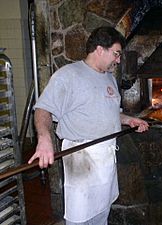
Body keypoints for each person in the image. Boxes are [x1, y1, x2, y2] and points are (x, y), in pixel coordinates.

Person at [28, 26, 149, 225]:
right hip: (81, 158)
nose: (118, 60)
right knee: (80, 216)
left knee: (102, 211)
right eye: (116, 54)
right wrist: (44, 138)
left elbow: (108, 112)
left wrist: (129, 120)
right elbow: (43, 109)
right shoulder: (68, 76)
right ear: (100, 49)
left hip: (106, 157)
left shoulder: (108, 77)